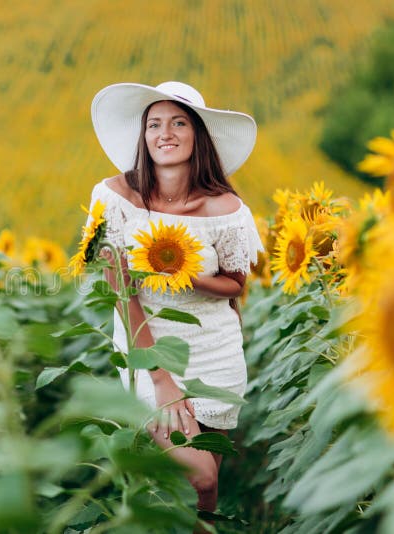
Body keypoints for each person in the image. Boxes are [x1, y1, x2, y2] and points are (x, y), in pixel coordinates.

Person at [86, 81, 263, 513]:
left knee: (206, 491)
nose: (165, 133)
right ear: (143, 137)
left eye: (178, 122)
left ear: (197, 134)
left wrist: (189, 277)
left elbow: (236, 283)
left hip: (215, 353)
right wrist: (162, 380)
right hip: (148, 351)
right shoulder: (114, 198)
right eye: (155, 124)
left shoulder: (227, 209)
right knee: (200, 478)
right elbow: (120, 291)